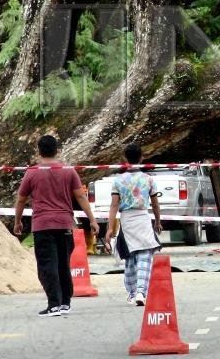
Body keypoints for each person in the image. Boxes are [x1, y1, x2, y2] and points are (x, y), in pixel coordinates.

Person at [14, 134, 99, 317]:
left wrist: (18, 221)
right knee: (63, 264)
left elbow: (21, 199)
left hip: (42, 225)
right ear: (57, 150)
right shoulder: (68, 171)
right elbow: (80, 196)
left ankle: (53, 304)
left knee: (47, 265)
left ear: (39, 151)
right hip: (65, 224)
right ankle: (65, 302)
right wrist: (92, 220)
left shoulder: (32, 172)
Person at [103, 143, 162, 306]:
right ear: (142, 158)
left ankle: (132, 292)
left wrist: (110, 228)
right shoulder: (149, 180)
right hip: (143, 218)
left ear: (125, 158)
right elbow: (155, 204)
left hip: (127, 220)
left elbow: (114, 205)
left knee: (130, 255)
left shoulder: (118, 181)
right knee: (145, 254)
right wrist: (157, 221)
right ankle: (141, 292)